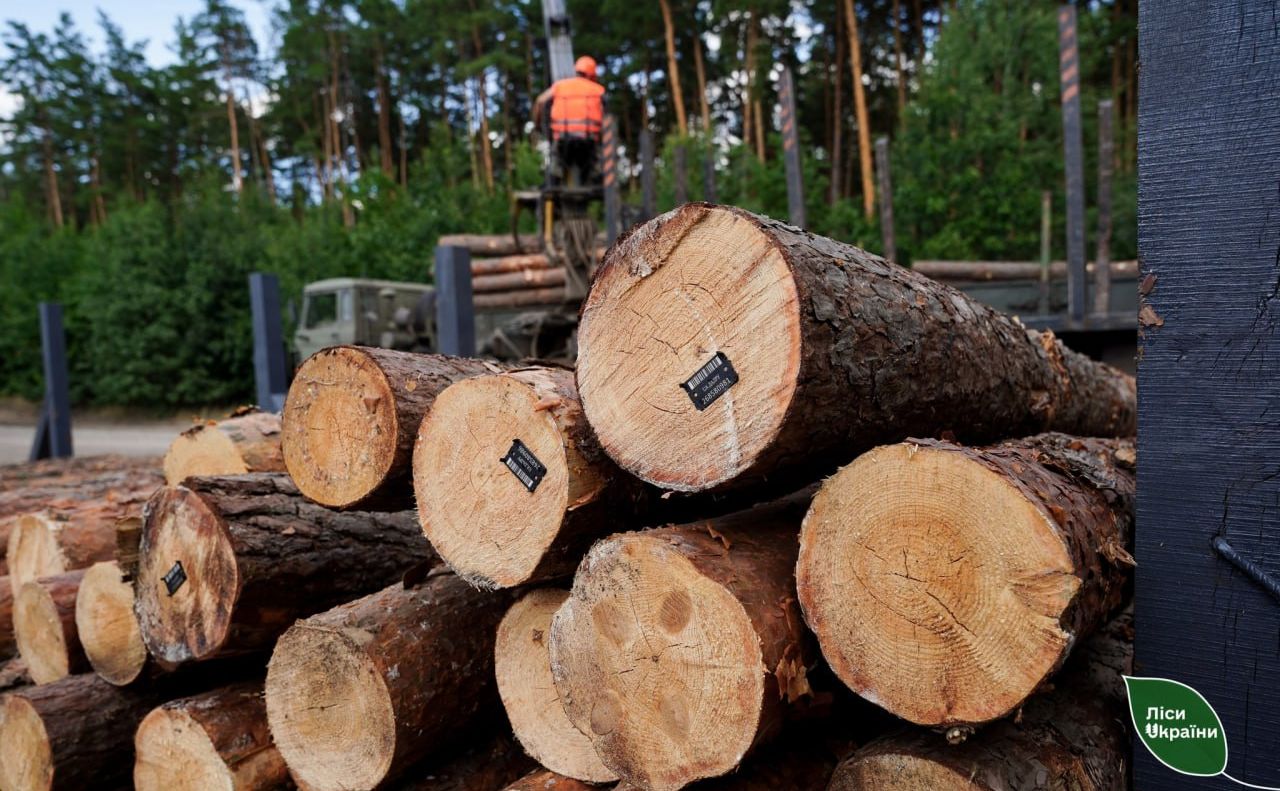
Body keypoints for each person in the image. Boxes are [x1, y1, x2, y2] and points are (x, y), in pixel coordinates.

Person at [533, 56, 605, 188]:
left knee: (556, 160)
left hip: (562, 137)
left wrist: (537, 125)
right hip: (589, 139)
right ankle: (596, 177)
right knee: (594, 161)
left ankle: (553, 180)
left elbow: (540, 101)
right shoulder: (598, 90)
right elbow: (604, 113)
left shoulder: (560, 86)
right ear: (592, 74)